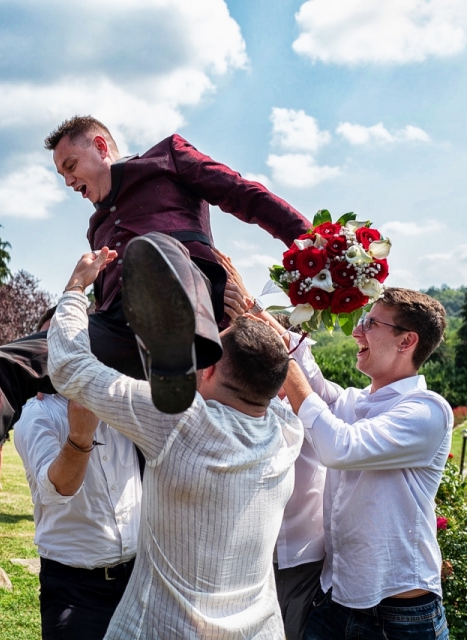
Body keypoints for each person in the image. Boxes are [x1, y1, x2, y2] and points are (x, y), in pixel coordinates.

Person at [0, 115, 311, 577]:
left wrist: (309, 243)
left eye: (72, 166)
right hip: (119, 330)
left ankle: (178, 351)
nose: (70, 182)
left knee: (153, 255)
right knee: (7, 363)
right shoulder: (96, 227)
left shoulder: (167, 158)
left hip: (196, 308)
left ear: (101, 144)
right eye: (62, 176)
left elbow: (244, 194)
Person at [43, 240, 303, 638]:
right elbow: (279, 365)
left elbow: (71, 366)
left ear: (210, 367)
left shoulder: (180, 421)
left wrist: (76, 289)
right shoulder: (288, 432)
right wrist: (251, 310)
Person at [273, 288, 453, 640]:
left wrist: (286, 363)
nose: (357, 331)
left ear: (407, 342)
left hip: (399, 617)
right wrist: (250, 306)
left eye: (370, 323)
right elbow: (308, 382)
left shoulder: (426, 410)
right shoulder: (352, 401)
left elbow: (339, 447)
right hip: (332, 604)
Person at [214, 250, 326, 640]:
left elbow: (296, 380)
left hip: (296, 549)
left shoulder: (299, 368)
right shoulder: (229, 372)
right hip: (243, 549)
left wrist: (249, 312)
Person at [14, 308, 142, 639]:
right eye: (51, 343)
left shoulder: (124, 395)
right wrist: (80, 437)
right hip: (73, 589)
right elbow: (59, 488)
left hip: (137, 579)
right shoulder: (37, 414)